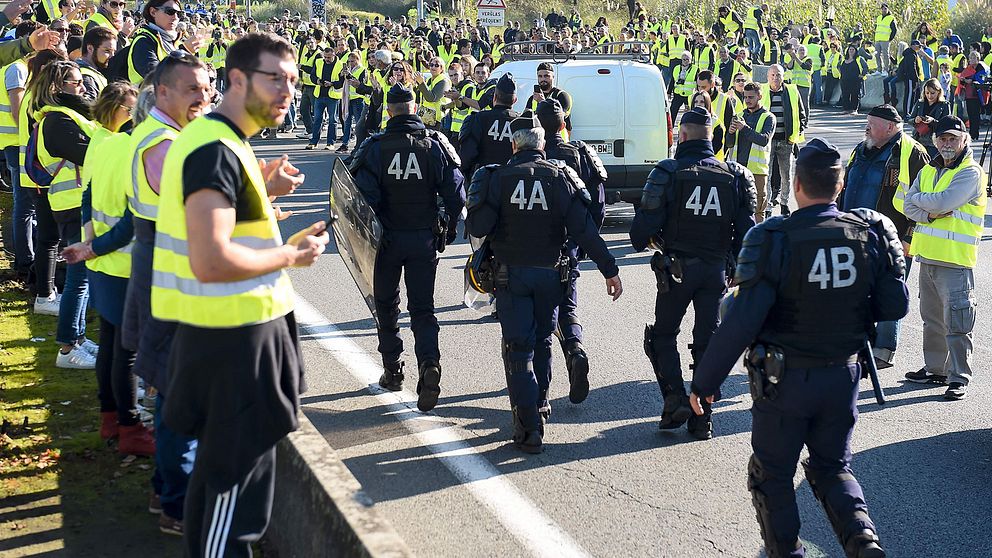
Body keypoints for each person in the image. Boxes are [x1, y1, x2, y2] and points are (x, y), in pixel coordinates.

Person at [690, 138, 909, 558]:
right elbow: (893, 306)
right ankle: (863, 541)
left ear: (795, 185)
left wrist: (705, 382)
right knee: (832, 469)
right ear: (840, 184)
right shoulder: (868, 233)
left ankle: (785, 552)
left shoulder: (773, 238)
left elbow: (741, 321)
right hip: (843, 376)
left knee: (771, 475)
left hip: (785, 382)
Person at [154, 33, 328, 555]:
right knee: (230, 499)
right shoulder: (214, 148)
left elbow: (228, 232)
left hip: (238, 335)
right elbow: (212, 260)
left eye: (292, 81)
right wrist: (289, 257)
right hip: (232, 343)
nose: (286, 91)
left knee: (236, 493)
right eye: (274, 78)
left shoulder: (228, 143)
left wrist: (265, 194)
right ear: (236, 79)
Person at [465, 113, 622, 453]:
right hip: (552, 275)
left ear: (513, 144)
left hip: (512, 276)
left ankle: (529, 426)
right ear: (543, 144)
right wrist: (610, 269)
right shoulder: (561, 177)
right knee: (543, 342)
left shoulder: (497, 177)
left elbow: (478, 226)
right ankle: (539, 406)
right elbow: (585, 230)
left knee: (518, 349)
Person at [124, 50, 212, 536]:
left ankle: (165, 492)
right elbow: (197, 208)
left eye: (207, 87)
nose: (203, 97)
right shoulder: (165, 142)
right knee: (179, 393)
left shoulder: (164, 134)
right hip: (170, 279)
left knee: (167, 388)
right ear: (161, 92)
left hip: (160, 271)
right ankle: (177, 504)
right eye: (191, 89)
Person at [631, 106, 755, 439]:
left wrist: (650, 233)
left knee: (661, 336)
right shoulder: (735, 175)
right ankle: (703, 418)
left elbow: (640, 233)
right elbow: (749, 234)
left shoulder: (669, 172)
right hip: (716, 272)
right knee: (707, 341)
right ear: (711, 138)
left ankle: (674, 400)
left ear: (681, 136)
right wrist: (733, 263)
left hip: (677, 272)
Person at [349, 83, 466, 412]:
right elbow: (457, 194)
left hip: (386, 241)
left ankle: (393, 369)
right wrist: (449, 227)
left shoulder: (375, 147)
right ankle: (429, 365)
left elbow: (361, 201)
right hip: (423, 238)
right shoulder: (435, 145)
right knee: (423, 309)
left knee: (386, 306)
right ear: (415, 109)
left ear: (389, 112)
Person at [61, 82, 148, 453]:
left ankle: (110, 418)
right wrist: (93, 246)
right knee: (125, 349)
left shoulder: (105, 142)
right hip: (125, 261)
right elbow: (135, 218)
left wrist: (88, 243)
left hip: (103, 262)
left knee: (113, 342)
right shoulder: (141, 151)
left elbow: (88, 193)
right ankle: (129, 426)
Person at [901, 115, 985, 401]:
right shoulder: (927, 170)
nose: (947, 143)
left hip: (955, 259)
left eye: (953, 138)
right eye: (942, 138)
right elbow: (906, 204)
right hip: (928, 256)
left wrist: (925, 204)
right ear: (935, 140)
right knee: (932, 318)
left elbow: (943, 202)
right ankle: (936, 369)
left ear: (964, 140)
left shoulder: (971, 172)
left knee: (958, 322)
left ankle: (959, 376)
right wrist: (930, 211)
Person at [840, 104, 930, 368]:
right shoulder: (861, 148)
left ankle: (883, 350)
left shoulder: (913, 153)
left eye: (871, 122)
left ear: (890, 127)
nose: (866, 126)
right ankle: (860, 344)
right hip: (854, 233)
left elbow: (922, 201)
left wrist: (909, 237)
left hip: (892, 239)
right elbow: (845, 185)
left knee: (889, 291)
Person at [535, 98, 608, 410]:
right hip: (570, 243)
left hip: (534, 246)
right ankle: (575, 350)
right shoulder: (579, 152)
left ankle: (538, 391)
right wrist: (587, 238)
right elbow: (599, 201)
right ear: (564, 124)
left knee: (537, 318)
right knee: (567, 304)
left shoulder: (531, 156)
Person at [29, 60, 101, 369]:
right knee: (79, 279)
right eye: (76, 82)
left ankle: (79, 339)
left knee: (82, 278)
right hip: (72, 205)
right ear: (58, 87)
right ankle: (68, 347)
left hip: (78, 203)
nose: (82, 86)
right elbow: (89, 154)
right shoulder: (57, 121)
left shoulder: (66, 117)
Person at [2, 21, 41, 286]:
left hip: (19, 142)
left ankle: (25, 258)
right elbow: (17, 111)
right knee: (24, 205)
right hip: (17, 143)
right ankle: (24, 261)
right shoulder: (16, 67)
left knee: (25, 205)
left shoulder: (23, 67)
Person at [761, 65, 807, 218]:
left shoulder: (792, 91)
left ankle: (784, 203)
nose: (775, 78)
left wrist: (800, 130)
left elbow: (802, 113)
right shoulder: (762, 91)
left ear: (783, 76)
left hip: (786, 141)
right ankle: (767, 205)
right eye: (773, 75)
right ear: (768, 77)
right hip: (768, 141)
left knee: (785, 174)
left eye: (778, 75)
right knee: (767, 174)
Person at [728, 82, 775, 222]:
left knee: (758, 208)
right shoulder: (739, 115)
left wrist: (744, 128)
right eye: (745, 97)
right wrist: (730, 133)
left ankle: (758, 240)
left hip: (757, 171)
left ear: (760, 96)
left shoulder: (768, 117)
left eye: (751, 97)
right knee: (736, 205)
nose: (747, 100)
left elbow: (764, 140)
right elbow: (729, 143)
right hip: (738, 169)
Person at [458, 73, 520, 178]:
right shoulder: (521, 122)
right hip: (511, 181)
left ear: (494, 97)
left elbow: (467, 155)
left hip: (483, 180)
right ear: (515, 100)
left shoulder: (477, 119)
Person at [128, 0, 200, 84]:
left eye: (179, 14)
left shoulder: (176, 42)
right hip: (147, 96)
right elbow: (158, 78)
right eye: (170, 11)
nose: (176, 17)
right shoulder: (143, 41)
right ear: (153, 12)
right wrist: (184, 52)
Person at [524, 62, 572, 138]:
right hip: (539, 141)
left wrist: (542, 102)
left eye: (546, 76)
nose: (543, 79)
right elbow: (526, 120)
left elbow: (558, 119)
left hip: (558, 142)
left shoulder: (562, 96)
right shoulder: (533, 98)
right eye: (540, 76)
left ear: (553, 77)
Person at [909, 78, 951, 159]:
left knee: (932, 166)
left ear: (939, 92)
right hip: (918, 140)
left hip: (934, 143)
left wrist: (933, 121)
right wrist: (915, 120)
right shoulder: (920, 103)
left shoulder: (944, 105)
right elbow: (909, 120)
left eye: (932, 93)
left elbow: (947, 125)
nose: (929, 96)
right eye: (927, 93)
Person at [956, 51, 989, 141]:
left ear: (978, 59)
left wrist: (972, 80)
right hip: (969, 95)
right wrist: (963, 80)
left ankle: (975, 133)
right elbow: (963, 79)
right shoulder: (968, 69)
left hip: (978, 95)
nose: (971, 60)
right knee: (971, 115)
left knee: (976, 115)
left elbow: (982, 78)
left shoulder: (981, 68)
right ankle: (972, 133)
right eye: (970, 58)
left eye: (973, 58)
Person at [77, 26, 116, 100]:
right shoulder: (86, 77)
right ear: (90, 48)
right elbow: (88, 109)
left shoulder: (89, 72)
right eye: (107, 51)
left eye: (114, 51)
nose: (112, 56)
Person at [412, 55, 450, 130]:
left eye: (436, 65)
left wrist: (422, 83)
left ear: (441, 68)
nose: (433, 67)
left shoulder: (444, 81)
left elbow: (432, 98)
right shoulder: (429, 79)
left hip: (437, 120)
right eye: (431, 65)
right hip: (426, 117)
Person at [839, 45, 867, 113]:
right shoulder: (843, 59)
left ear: (855, 51)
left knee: (855, 95)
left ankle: (854, 110)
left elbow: (865, 67)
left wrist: (862, 74)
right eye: (850, 49)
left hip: (856, 81)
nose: (851, 51)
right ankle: (846, 109)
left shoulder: (859, 59)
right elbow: (838, 66)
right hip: (844, 80)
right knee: (845, 95)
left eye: (852, 50)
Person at [873, 2, 897, 74]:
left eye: (885, 8)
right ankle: (879, 69)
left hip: (885, 40)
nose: (884, 10)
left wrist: (890, 39)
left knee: (885, 55)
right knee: (877, 55)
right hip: (878, 39)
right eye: (882, 9)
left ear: (888, 9)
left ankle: (886, 70)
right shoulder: (879, 18)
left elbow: (894, 30)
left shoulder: (891, 18)